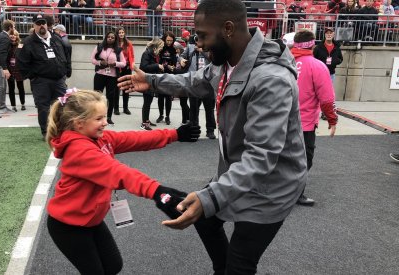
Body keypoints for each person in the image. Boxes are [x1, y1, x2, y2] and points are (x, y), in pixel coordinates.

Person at [118, 0, 307, 273]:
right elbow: (195, 80)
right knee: (206, 221)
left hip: (270, 187)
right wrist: (153, 81)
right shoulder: (228, 60)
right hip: (238, 169)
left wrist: (209, 198)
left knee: (239, 264)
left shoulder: (270, 79)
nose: (198, 44)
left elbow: (261, 157)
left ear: (228, 28)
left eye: (203, 35)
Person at [45, 88, 200, 274]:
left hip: (90, 220)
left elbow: (135, 138)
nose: (105, 123)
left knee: (113, 266)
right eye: (99, 119)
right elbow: (119, 173)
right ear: (79, 124)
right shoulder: (79, 150)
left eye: (105, 116)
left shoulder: (100, 138)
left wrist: (174, 134)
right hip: (68, 226)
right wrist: (156, 191)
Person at [292, 30, 338, 206]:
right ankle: (295, 194)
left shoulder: (283, 62)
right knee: (303, 160)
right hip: (304, 123)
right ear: (312, 45)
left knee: (278, 157)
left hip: (279, 120)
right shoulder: (317, 66)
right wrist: (332, 120)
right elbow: (327, 99)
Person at [16, 14, 71, 137]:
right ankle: (46, 132)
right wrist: (33, 77)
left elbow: (65, 55)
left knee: (62, 106)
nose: (41, 25)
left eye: (43, 22)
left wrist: (66, 70)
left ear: (47, 24)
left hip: (59, 80)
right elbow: (21, 62)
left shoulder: (56, 38)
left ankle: (61, 130)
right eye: (38, 23)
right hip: (41, 82)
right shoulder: (28, 42)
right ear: (34, 25)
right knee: (43, 108)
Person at [181, 34, 216, 139]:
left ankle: (210, 130)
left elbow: (214, 60)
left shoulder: (210, 47)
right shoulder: (190, 47)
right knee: (194, 109)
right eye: (196, 40)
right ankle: (194, 129)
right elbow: (182, 56)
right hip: (194, 82)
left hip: (208, 83)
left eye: (199, 40)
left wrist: (202, 51)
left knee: (209, 109)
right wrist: (181, 60)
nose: (197, 42)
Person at [90, 31, 126, 125]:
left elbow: (124, 63)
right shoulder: (100, 47)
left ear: (115, 39)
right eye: (108, 37)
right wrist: (100, 63)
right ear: (106, 38)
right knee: (97, 96)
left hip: (112, 77)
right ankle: (95, 116)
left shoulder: (118, 50)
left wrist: (115, 64)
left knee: (110, 97)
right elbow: (92, 59)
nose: (110, 38)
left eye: (112, 37)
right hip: (100, 75)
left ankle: (109, 117)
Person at [139, 37, 164, 130]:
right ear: (155, 47)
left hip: (151, 80)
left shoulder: (154, 54)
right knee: (147, 102)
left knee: (148, 102)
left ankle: (147, 120)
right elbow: (143, 67)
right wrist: (157, 66)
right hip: (147, 81)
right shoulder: (146, 54)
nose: (162, 49)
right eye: (161, 47)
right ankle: (144, 123)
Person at [156, 31, 177, 125]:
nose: (169, 42)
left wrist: (172, 66)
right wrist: (166, 65)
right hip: (160, 74)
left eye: (171, 41)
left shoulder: (174, 49)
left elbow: (174, 61)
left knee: (168, 97)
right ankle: (161, 115)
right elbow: (158, 60)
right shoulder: (161, 48)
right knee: (160, 97)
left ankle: (167, 116)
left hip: (170, 75)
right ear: (164, 39)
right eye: (167, 40)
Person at [116, 27, 134, 115]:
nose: (121, 34)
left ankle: (125, 108)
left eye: (122, 32)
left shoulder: (129, 43)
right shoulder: (115, 43)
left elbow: (132, 56)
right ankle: (116, 108)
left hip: (126, 67)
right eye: (120, 32)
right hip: (118, 67)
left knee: (126, 88)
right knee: (117, 88)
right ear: (117, 33)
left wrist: (132, 65)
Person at [7, 29, 25, 112]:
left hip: (18, 69)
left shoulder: (21, 45)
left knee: (20, 87)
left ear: (17, 36)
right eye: (11, 35)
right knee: (11, 88)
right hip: (10, 69)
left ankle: (23, 104)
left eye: (15, 35)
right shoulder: (7, 45)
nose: (13, 36)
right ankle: (13, 106)